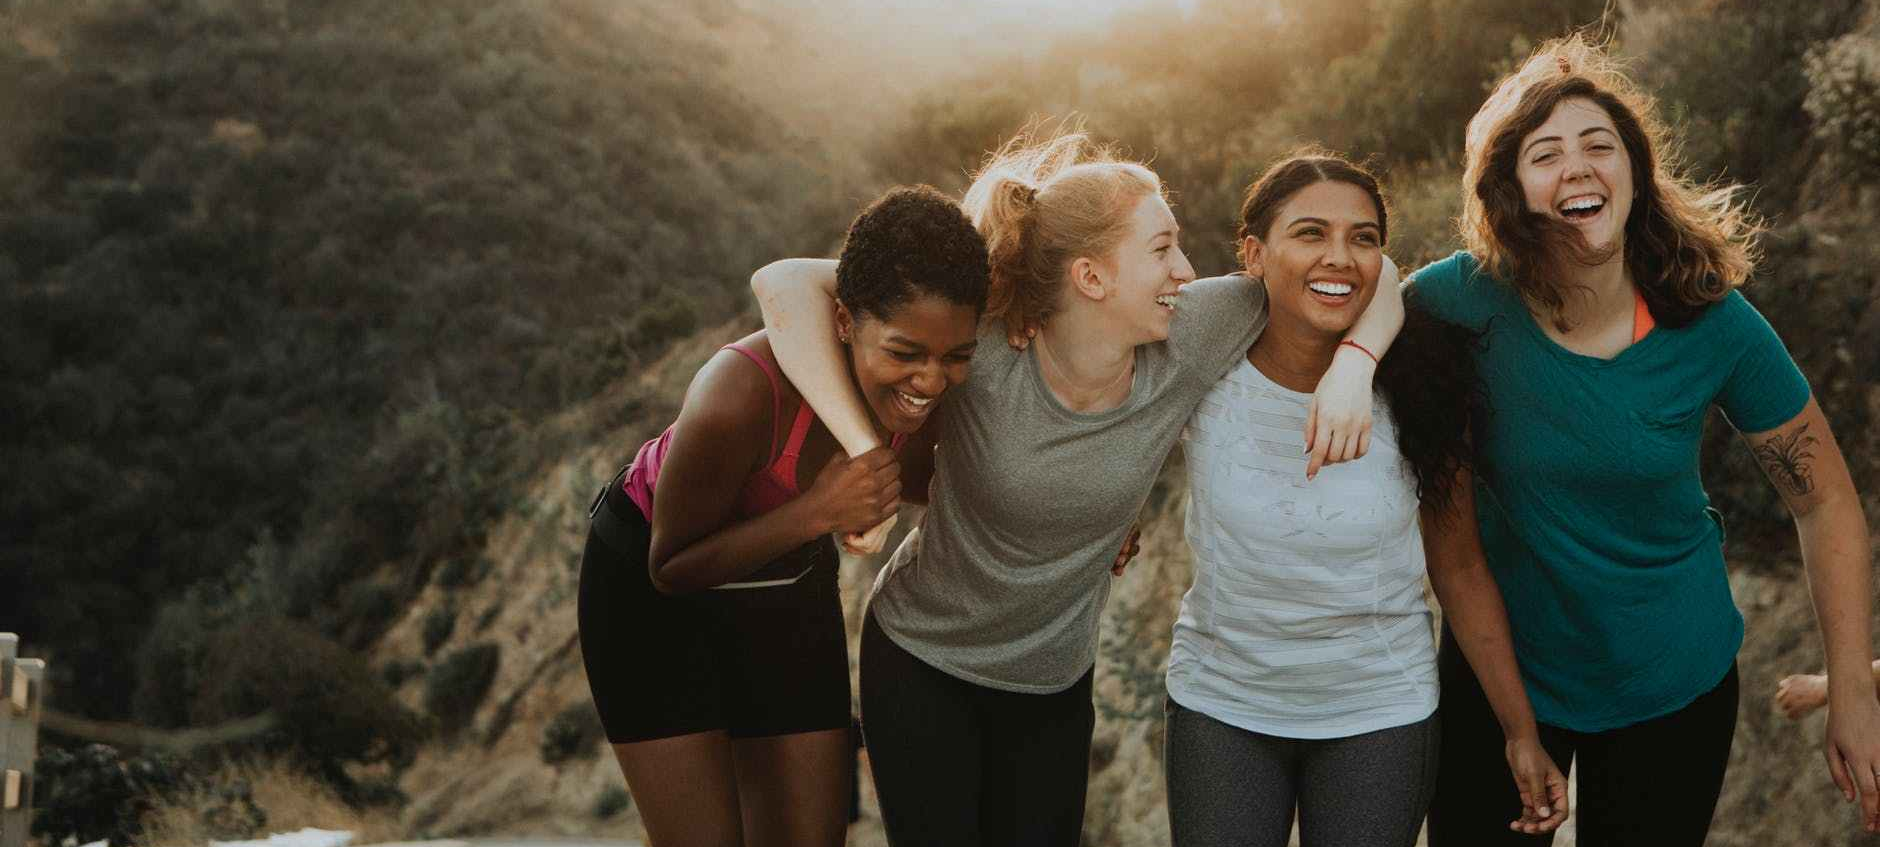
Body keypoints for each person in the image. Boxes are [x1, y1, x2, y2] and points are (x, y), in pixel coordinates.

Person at [750, 129, 1402, 847]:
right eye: (1161, 249)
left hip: (1053, 688)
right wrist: (865, 451)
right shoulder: (989, 342)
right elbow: (783, 283)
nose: (1186, 269)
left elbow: (1372, 272)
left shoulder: (1192, 332)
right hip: (921, 662)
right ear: (1091, 278)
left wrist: (1355, 364)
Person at [1416, 35, 1880, 845]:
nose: (1579, 168)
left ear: (1635, 171)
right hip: (1500, 671)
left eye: (1600, 146)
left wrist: (1854, 688)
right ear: (1511, 189)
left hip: (1673, 675)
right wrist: (1352, 367)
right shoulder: (1460, 302)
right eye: (1545, 154)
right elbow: (1351, 301)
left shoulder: (1708, 316)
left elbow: (1826, 497)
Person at [1162, 151, 1567, 847]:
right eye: (1311, 233)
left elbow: (1461, 567)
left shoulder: (1423, 385)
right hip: (1221, 702)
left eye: (1364, 238)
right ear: (1254, 254)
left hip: (1380, 710)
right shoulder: (1203, 357)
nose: (1340, 257)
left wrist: (1519, 729)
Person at [576, 186, 988, 847]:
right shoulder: (740, 391)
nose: (931, 381)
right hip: (648, 597)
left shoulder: (930, 401)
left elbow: (982, 487)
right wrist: (818, 509)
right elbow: (671, 566)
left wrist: (1099, 530)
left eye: (956, 357)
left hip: (783, 588)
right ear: (846, 321)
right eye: (906, 352)